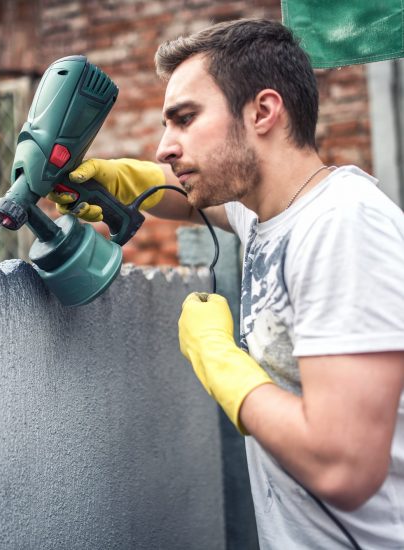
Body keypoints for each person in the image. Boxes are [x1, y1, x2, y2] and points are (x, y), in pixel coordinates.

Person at [50, 19, 404, 549]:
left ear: (262, 111)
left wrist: (216, 356)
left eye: (185, 119)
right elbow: (194, 197)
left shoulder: (342, 226)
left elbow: (343, 467)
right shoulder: (269, 210)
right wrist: (121, 177)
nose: (165, 146)